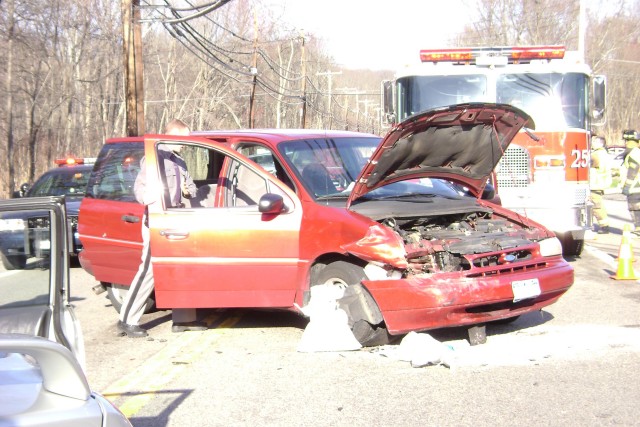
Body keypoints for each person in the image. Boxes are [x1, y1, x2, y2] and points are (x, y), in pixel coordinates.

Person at [117, 119, 208, 338]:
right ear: (173, 136)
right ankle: (127, 319)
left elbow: (192, 188)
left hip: (177, 221)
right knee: (148, 270)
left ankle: (184, 319)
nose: (186, 144)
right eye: (184, 139)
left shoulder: (179, 161)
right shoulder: (153, 158)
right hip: (157, 223)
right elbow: (140, 188)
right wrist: (148, 198)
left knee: (179, 269)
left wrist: (189, 192)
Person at [589, 135, 611, 234]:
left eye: (593, 142)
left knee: (596, 206)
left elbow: (590, 164)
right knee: (596, 205)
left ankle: (604, 226)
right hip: (599, 183)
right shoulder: (603, 153)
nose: (591, 144)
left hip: (595, 183)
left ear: (599, 143)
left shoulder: (596, 154)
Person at [621, 129, 640, 236]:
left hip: (635, 186)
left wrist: (627, 186)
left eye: (627, 141)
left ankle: (638, 229)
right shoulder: (637, 152)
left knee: (634, 208)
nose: (626, 143)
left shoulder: (633, 153)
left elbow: (633, 170)